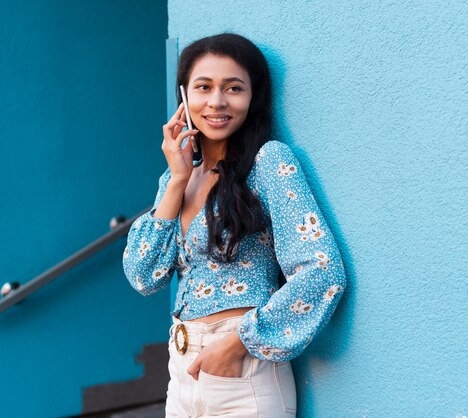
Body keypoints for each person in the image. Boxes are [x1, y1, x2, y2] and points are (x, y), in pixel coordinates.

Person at [122, 33, 347, 417]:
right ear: (184, 95)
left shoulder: (268, 163)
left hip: (243, 370)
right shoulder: (174, 179)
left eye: (233, 88)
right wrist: (177, 180)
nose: (217, 102)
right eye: (203, 87)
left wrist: (238, 343)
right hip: (181, 370)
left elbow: (323, 271)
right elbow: (144, 276)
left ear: (252, 96)